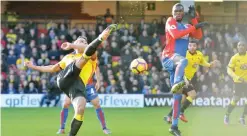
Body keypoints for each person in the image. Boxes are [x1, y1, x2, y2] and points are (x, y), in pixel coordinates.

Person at [25, 24, 117, 136]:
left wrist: (72, 44)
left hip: (78, 87)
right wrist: (34, 67)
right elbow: (52, 68)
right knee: (81, 62)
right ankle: (61, 127)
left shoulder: (93, 54)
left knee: (80, 108)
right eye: (79, 41)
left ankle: (72, 134)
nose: (82, 43)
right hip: (65, 80)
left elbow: (90, 50)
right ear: (75, 45)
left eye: (84, 42)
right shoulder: (68, 57)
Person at [161, 3, 207, 136]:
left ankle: (174, 127)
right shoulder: (170, 21)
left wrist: (194, 20)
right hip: (169, 58)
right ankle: (176, 84)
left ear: (184, 13)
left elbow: (198, 36)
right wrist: (193, 26)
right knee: (184, 60)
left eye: (181, 11)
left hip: (178, 66)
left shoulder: (187, 26)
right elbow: (175, 35)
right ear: (173, 12)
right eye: (176, 11)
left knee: (178, 96)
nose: (178, 13)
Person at [164, 38, 218, 123]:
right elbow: (177, 66)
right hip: (181, 78)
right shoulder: (184, 54)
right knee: (192, 94)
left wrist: (210, 64)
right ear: (188, 46)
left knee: (181, 99)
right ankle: (181, 113)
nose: (192, 47)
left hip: (188, 79)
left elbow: (203, 62)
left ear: (197, 46)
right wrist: (183, 78)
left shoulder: (199, 54)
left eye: (194, 45)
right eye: (190, 45)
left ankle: (169, 116)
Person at [57, 59, 111, 135]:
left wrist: (98, 81)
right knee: (65, 104)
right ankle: (62, 128)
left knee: (97, 104)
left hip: (88, 85)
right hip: (75, 85)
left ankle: (104, 128)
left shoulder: (89, 57)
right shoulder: (72, 57)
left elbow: (96, 67)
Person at [224, 41, 247, 126]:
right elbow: (228, 70)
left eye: (243, 45)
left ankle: (242, 117)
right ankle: (227, 115)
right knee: (235, 99)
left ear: (245, 47)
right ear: (237, 47)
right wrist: (236, 77)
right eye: (239, 45)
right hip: (238, 82)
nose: (241, 47)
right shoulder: (234, 58)